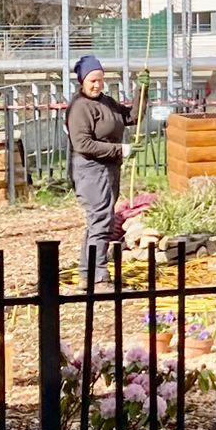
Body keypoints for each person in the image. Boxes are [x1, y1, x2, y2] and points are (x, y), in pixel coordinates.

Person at [66, 55, 136, 285]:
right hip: (90, 170)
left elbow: (131, 117)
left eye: (100, 80)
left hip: (109, 168)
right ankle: (98, 276)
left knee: (98, 221)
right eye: (92, 81)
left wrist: (142, 92)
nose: (97, 85)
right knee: (101, 221)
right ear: (82, 81)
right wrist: (120, 149)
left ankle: (86, 274)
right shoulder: (79, 108)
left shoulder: (106, 102)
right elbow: (83, 144)